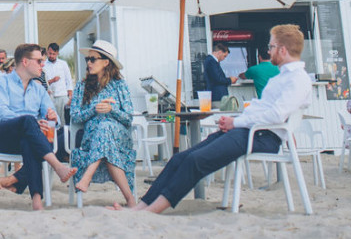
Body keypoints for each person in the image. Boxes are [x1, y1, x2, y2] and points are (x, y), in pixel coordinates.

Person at [123, 24, 311, 213]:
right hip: (250, 131)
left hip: (263, 136)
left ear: (282, 49)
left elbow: (276, 115)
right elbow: (263, 109)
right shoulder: (280, 77)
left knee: (195, 160)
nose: (269, 52)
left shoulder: (297, 79)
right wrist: (235, 121)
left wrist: (235, 122)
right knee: (180, 158)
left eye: (271, 47)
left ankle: (152, 211)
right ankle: (140, 207)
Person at [0, 43, 77, 210]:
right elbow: (1, 114)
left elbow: (52, 117)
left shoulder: (39, 88)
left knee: (58, 134)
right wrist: (34, 122)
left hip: (29, 137)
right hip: (1, 136)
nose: (43, 65)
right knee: (28, 121)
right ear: (25, 62)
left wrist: (51, 118)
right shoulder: (0, 83)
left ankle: (35, 198)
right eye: (39, 61)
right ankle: (57, 165)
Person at [69, 40, 135, 206]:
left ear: (106, 62)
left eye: (93, 59)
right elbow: (75, 117)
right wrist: (94, 109)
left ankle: (87, 177)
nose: (89, 63)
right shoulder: (81, 86)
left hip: (119, 135)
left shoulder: (120, 85)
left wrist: (111, 110)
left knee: (106, 127)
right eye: (87, 59)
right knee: (104, 133)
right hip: (92, 136)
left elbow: (128, 118)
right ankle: (131, 200)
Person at [44, 42, 73, 159]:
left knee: (63, 123)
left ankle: (63, 151)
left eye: (53, 54)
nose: (51, 56)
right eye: (49, 53)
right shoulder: (44, 65)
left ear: (57, 53)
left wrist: (70, 93)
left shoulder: (63, 64)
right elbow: (44, 82)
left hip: (62, 95)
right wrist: (52, 81)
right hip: (50, 97)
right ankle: (52, 149)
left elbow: (68, 80)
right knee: (51, 122)